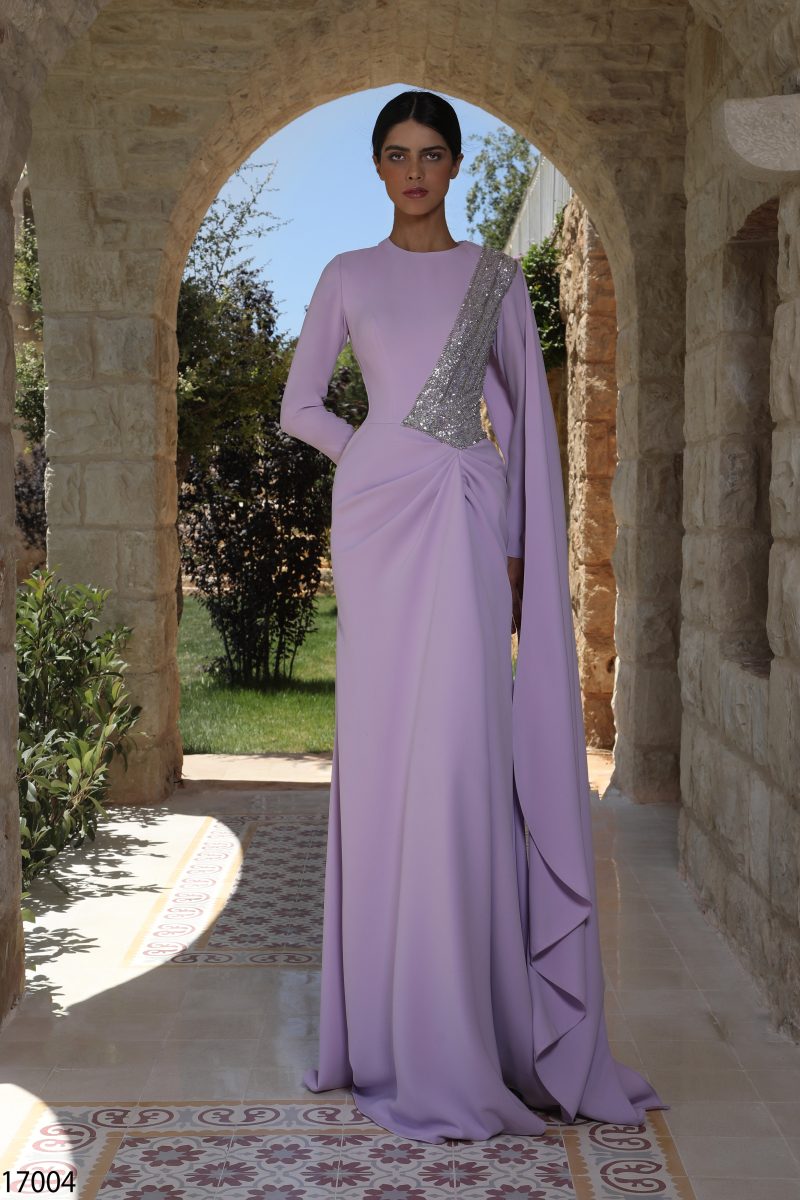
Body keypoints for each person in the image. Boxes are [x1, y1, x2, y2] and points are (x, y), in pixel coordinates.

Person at [279, 88, 669, 1144]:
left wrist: (515, 546)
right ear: (377, 168)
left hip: (461, 517)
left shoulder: (495, 278)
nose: (413, 172)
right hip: (377, 526)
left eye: (431, 154)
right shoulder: (346, 275)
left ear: (454, 165)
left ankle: (467, 1026)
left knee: (457, 756)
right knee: (384, 759)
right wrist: (370, 451)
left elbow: (524, 415)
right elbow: (299, 404)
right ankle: (386, 1030)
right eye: (396, 155)